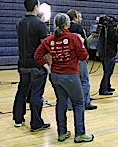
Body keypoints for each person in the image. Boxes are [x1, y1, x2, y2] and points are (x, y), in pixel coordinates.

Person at [34, 13, 94, 143]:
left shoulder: (50, 39)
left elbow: (37, 55)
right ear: (67, 24)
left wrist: (47, 67)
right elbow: (84, 56)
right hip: (70, 75)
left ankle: (62, 133)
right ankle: (80, 134)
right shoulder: (73, 38)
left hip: (55, 76)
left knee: (61, 103)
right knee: (78, 103)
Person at [12, 0, 50, 131]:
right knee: (36, 94)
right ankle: (36, 123)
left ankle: (18, 118)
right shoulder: (39, 25)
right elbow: (44, 48)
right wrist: (49, 65)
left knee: (22, 91)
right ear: (35, 7)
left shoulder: (20, 23)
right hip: (36, 65)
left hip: (23, 63)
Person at [66, 9, 97, 110]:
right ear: (74, 18)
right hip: (79, 58)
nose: (81, 19)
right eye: (79, 17)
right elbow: (82, 43)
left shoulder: (65, 28)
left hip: (69, 59)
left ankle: (70, 104)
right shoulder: (78, 28)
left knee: (72, 82)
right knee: (84, 80)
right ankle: (85, 102)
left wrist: (92, 35)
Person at [97, 19, 118, 95]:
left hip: (103, 52)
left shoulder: (103, 29)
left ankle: (107, 86)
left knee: (107, 71)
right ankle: (103, 89)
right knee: (108, 72)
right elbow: (117, 39)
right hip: (108, 53)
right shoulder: (110, 30)